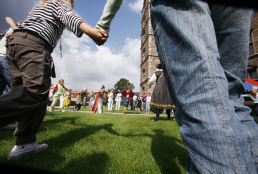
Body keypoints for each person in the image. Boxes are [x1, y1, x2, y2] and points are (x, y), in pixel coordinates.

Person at [98, 0, 258, 173]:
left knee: (203, 102)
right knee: (232, 99)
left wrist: (103, 24)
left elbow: (151, 80)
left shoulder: (158, 74)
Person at [0, 0, 108, 160]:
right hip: (34, 46)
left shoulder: (41, 6)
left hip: (16, 45)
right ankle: (24, 142)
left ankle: (25, 143)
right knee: (33, 93)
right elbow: (71, 18)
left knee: (27, 95)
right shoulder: (59, 3)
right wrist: (92, 32)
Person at [0, 17, 18, 97]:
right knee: (14, 83)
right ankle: (19, 103)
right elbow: (8, 35)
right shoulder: (15, 30)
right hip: (4, 58)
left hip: (1, 58)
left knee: (1, 83)